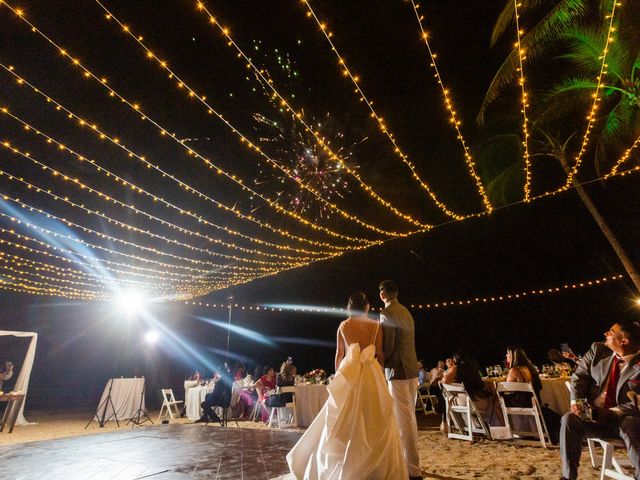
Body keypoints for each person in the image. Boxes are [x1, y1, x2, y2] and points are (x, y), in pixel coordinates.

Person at [286, 292, 408, 479]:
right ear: (366, 306)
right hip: (371, 374)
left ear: (350, 307)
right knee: (373, 416)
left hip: (350, 375)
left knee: (346, 417)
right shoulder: (376, 326)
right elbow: (381, 354)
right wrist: (380, 369)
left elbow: (339, 354)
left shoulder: (344, 325)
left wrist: (339, 377)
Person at [560, 321, 640, 480]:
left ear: (624, 341)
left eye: (611, 332)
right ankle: (568, 477)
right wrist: (576, 401)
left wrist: (612, 412)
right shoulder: (598, 350)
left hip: (625, 420)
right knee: (569, 419)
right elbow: (579, 377)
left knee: (631, 423)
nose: (606, 333)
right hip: (593, 418)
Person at [379, 280, 422, 480]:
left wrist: (378, 362)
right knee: (409, 418)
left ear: (382, 294)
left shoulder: (386, 313)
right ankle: (408, 463)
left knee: (403, 421)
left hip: (397, 371)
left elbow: (388, 345)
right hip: (412, 370)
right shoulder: (406, 311)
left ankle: (412, 468)